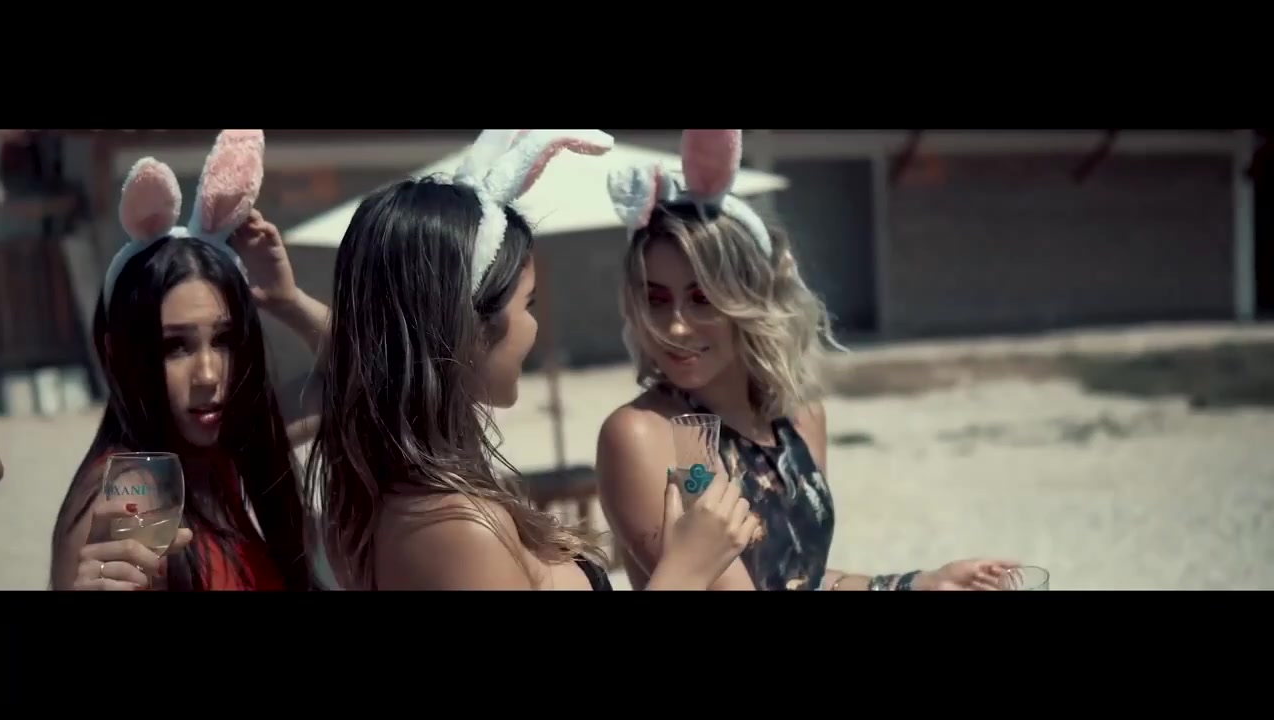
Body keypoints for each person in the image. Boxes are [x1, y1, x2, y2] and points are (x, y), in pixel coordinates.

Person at [305, 129, 759, 591]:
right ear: (470, 324)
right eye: (529, 304)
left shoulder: (422, 500)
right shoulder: (450, 530)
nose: (534, 327)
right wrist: (687, 568)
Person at [597, 129, 1016, 591]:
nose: (675, 327)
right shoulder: (644, 435)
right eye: (656, 300)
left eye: (702, 298)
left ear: (753, 298)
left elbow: (800, 580)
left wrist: (916, 583)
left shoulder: (800, 418)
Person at [50, 130, 332, 591]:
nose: (207, 374)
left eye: (223, 341)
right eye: (175, 347)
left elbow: (368, 377)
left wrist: (288, 300)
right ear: (120, 352)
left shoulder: (221, 452)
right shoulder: (140, 489)